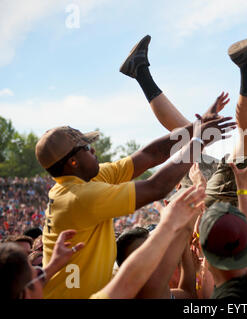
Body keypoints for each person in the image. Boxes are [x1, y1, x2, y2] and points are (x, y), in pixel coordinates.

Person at [117, 22, 247, 299]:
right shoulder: (204, 284)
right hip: (205, 202)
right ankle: (140, 71)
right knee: (189, 135)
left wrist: (214, 195)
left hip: (215, 203)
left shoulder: (226, 280)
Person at [36, 58, 234, 298]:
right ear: (73, 162)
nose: (94, 150)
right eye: (87, 147)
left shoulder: (88, 179)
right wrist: (199, 141)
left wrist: (197, 126)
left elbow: (151, 154)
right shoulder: (79, 197)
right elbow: (158, 187)